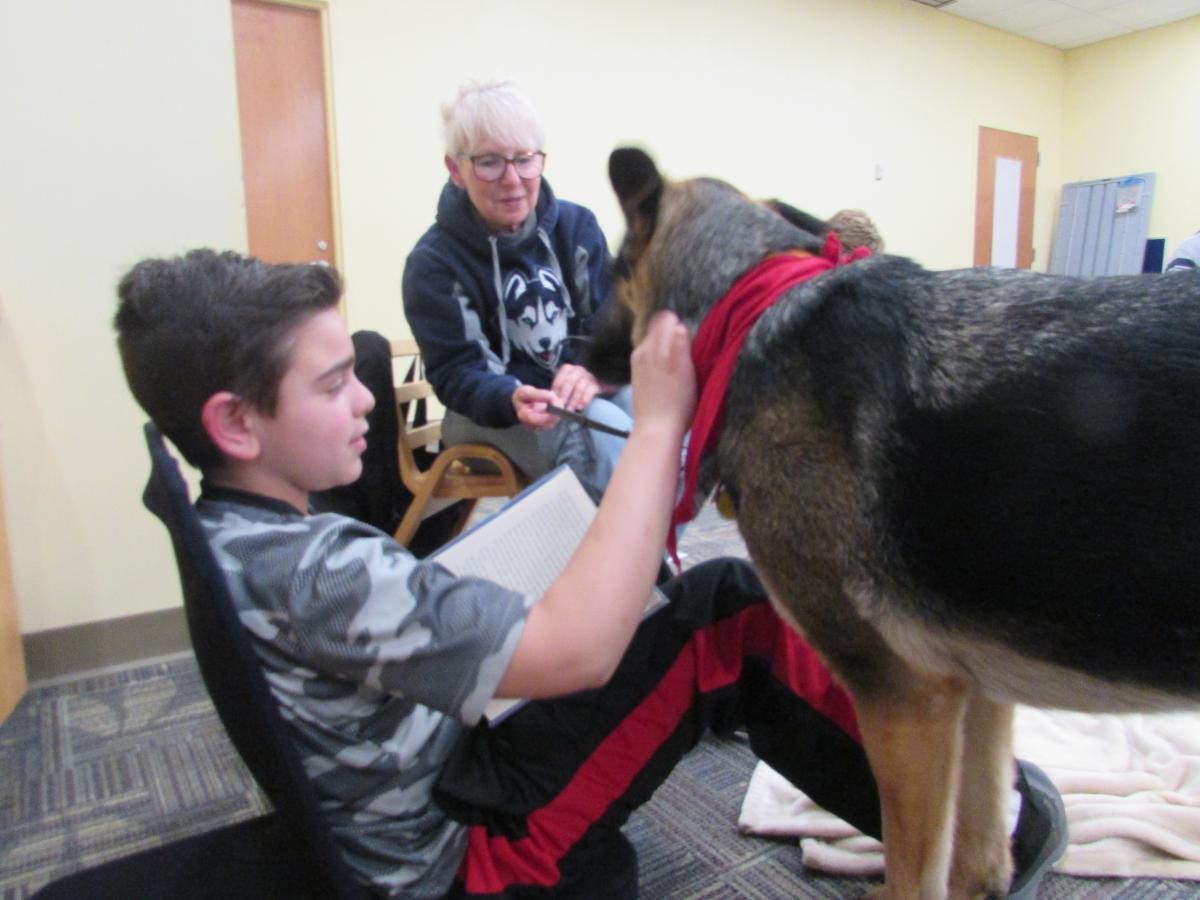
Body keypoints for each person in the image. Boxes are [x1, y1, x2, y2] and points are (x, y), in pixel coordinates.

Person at [114, 249, 1066, 899]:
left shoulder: (248, 535)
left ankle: (917, 807)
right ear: (236, 423)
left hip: (432, 775)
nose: (365, 394)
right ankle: (969, 848)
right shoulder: (318, 569)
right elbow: (575, 654)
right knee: (721, 624)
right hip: (468, 858)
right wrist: (659, 423)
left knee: (682, 603)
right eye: (331, 385)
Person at [403, 80, 630, 503]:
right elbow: (457, 373)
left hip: (567, 396)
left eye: (524, 160)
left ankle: (650, 555)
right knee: (599, 434)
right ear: (456, 170)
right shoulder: (434, 263)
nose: (512, 179)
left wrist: (591, 371)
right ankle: (616, 564)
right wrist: (509, 397)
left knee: (651, 414)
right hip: (486, 410)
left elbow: (610, 325)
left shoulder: (577, 228)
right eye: (489, 162)